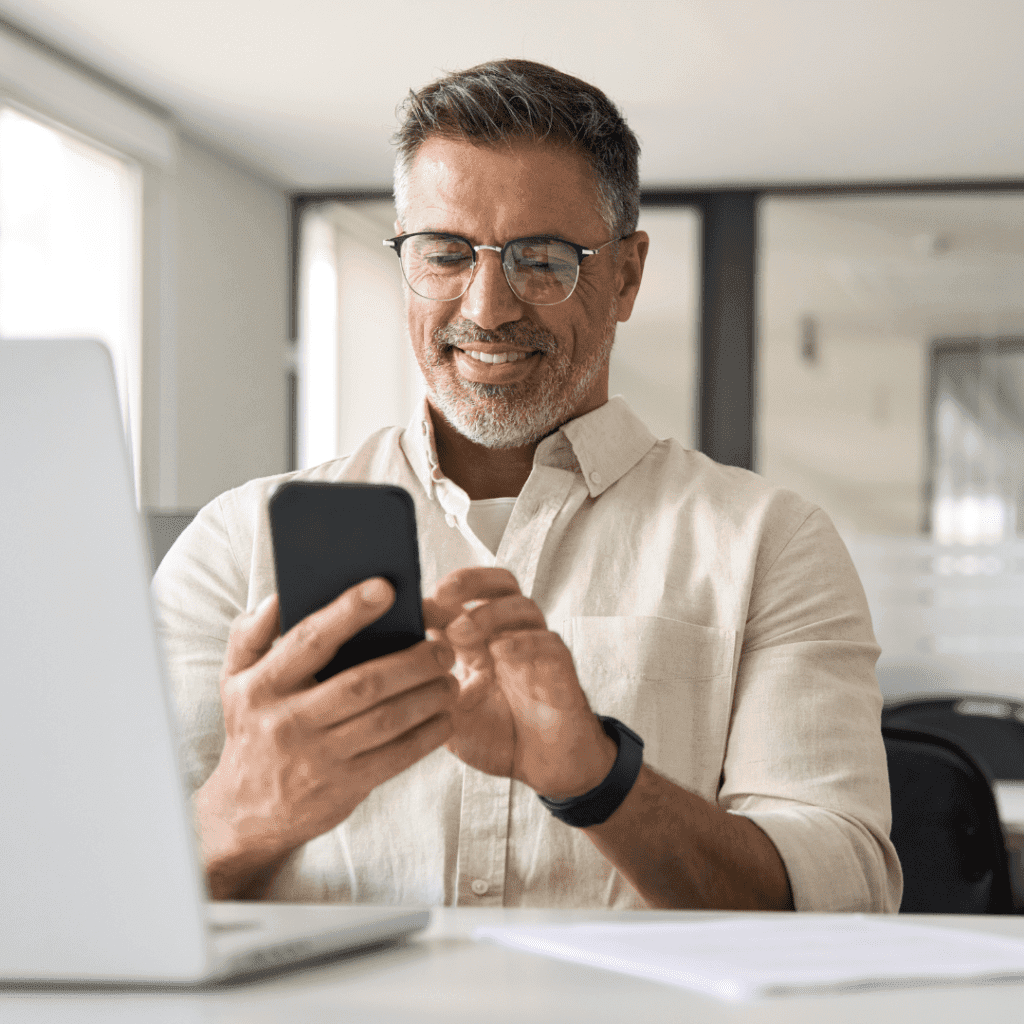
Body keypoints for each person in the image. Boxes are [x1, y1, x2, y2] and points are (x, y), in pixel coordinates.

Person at [153, 59, 902, 913]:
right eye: (442, 254)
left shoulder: (770, 542)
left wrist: (596, 778)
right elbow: (99, 896)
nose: (488, 305)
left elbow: (845, 895)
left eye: (541, 259)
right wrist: (255, 803)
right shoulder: (236, 542)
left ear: (624, 276)